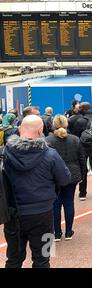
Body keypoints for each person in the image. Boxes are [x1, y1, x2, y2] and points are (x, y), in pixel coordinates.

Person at [3, 115, 71, 268]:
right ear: (41, 130)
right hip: (44, 214)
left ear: (20, 129)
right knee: (44, 257)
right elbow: (65, 179)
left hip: (13, 214)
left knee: (13, 258)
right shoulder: (51, 154)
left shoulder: (6, 153)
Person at [46, 115, 86, 242]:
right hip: (72, 175)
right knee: (69, 202)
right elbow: (82, 159)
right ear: (66, 124)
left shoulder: (48, 140)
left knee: (55, 204)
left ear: (53, 125)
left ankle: (57, 233)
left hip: (54, 176)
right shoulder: (75, 139)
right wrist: (82, 175)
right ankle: (69, 231)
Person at [68, 102, 92, 200]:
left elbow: (76, 136)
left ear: (82, 109)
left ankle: (82, 193)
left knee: (83, 169)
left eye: (80, 107)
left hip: (83, 148)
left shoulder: (79, 121)